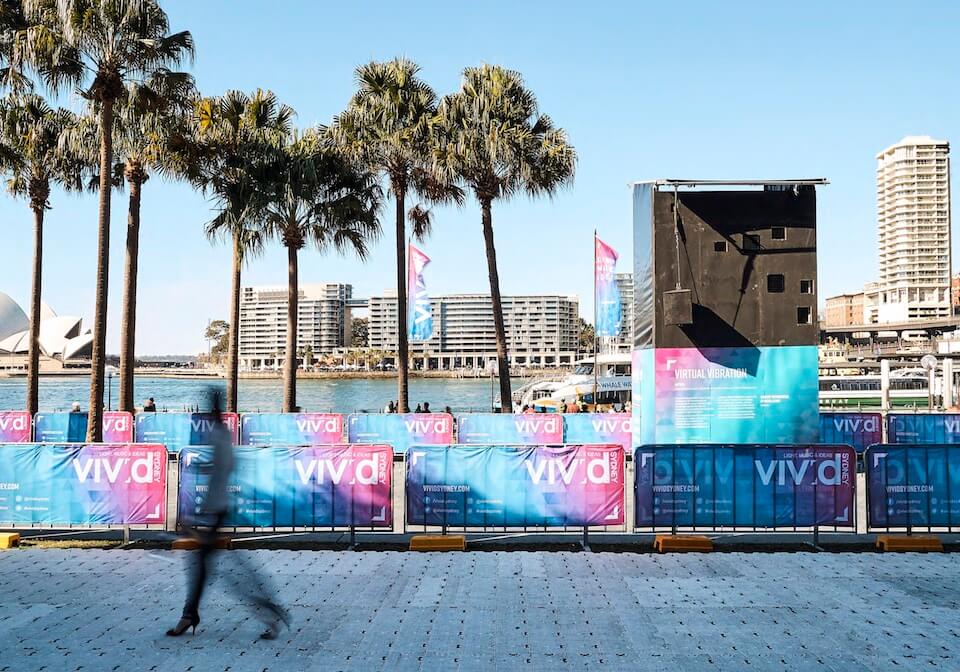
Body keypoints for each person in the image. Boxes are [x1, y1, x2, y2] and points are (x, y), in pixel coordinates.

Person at [166, 388, 288, 640]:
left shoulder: (220, 435)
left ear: (213, 409)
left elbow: (223, 468)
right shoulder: (223, 434)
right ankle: (190, 615)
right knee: (204, 566)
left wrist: (198, 510)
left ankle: (269, 612)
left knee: (231, 574)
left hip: (214, 511)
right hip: (215, 510)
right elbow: (228, 466)